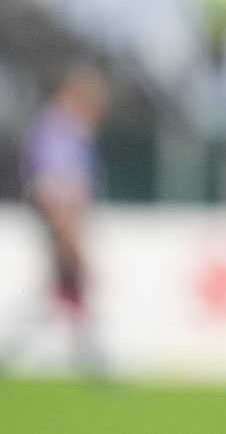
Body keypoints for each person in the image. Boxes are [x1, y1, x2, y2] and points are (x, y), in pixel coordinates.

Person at [15, 63, 108, 374]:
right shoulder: (56, 129)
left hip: (67, 219)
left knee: (63, 290)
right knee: (63, 286)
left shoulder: (71, 130)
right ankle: (90, 356)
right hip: (60, 220)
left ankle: (90, 354)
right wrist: (65, 232)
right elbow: (51, 186)